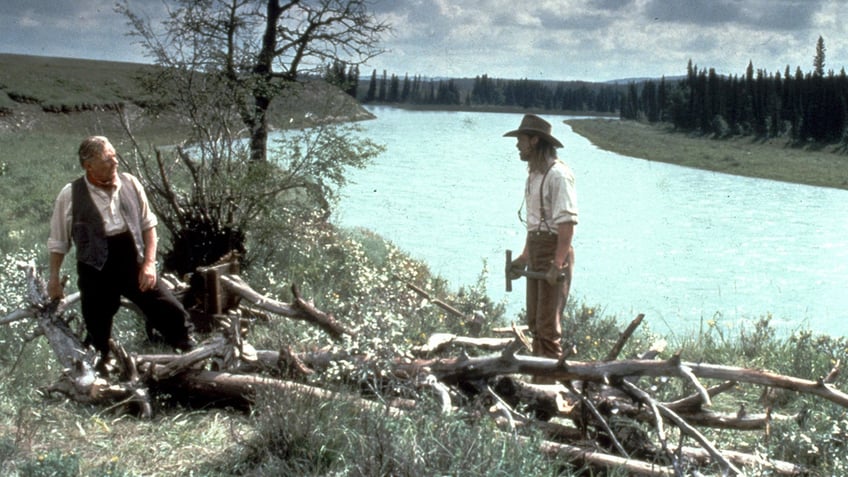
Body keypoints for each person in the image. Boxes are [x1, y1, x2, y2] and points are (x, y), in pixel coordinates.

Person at [47, 136, 195, 372]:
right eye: (108, 158)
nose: (116, 161)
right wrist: (54, 279)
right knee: (97, 327)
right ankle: (102, 368)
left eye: (115, 155)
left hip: (131, 261)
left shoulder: (130, 183)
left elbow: (149, 226)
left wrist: (148, 264)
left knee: (170, 309)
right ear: (89, 165)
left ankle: (188, 353)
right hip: (94, 269)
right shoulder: (70, 194)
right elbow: (58, 242)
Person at [504, 114, 577, 365]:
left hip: (553, 253)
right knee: (535, 323)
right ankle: (539, 384)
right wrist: (525, 257)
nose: (517, 145)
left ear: (534, 141)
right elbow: (535, 224)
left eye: (521, 140)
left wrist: (557, 264)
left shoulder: (559, 175)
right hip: (537, 251)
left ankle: (551, 388)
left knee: (548, 329)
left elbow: (566, 224)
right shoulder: (534, 175)